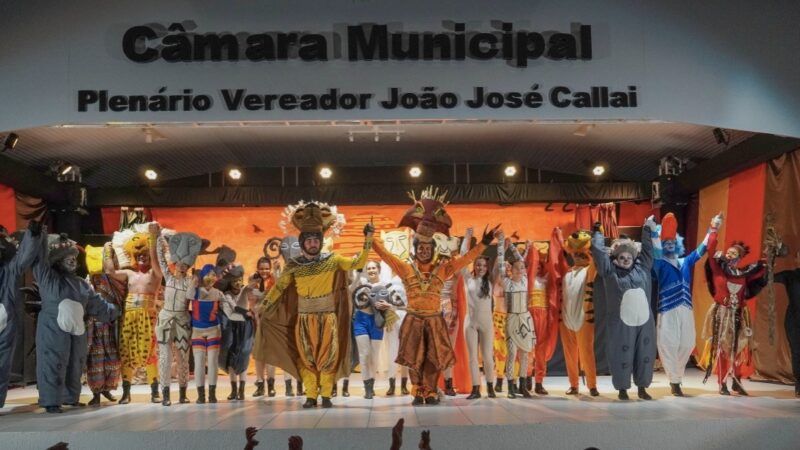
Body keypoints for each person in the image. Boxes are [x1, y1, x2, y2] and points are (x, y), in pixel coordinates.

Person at [371, 186, 497, 405]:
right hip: (412, 319)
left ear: (433, 250)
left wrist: (484, 244)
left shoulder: (443, 268)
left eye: (427, 249)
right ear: (416, 248)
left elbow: (466, 260)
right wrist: (371, 239)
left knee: (432, 358)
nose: (424, 251)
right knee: (413, 358)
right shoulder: (406, 268)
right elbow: (386, 256)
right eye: (420, 248)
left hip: (435, 320)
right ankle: (417, 390)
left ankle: (430, 390)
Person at [260, 201, 369, 408]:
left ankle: (326, 395)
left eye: (315, 239)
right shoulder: (294, 265)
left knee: (329, 357)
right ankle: (311, 395)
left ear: (321, 241)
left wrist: (368, 240)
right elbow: (279, 288)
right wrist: (264, 306)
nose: (312, 243)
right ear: (302, 243)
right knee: (306, 357)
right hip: (303, 319)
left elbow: (357, 264)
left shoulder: (333, 259)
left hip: (328, 317)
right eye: (308, 240)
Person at [34, 232, 119, 413]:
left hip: (77, 329)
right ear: (58, 261)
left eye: (74, 258)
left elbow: (97, 303)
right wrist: (38, 237)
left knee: (75, 364)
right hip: (53, 327)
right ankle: (51, 401)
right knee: (53, 362)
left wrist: (115, 312)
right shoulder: (49, 278)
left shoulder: (81, 284)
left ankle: (71, 398)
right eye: (67, 258)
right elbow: (40, 262)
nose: (72, 261)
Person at [652, 213, 719, 396]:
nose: (670, 245)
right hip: (667, 308)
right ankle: (675, 381)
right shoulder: (659, 263)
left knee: (688, 343)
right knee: (667, 343)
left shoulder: (684, 261)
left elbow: (701, 249)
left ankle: (676, 376)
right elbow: (656, 252)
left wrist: (712, 228)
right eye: (666, 243)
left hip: (686, 308)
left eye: (672, 242)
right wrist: (654, 234)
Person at [591, 217, 657, 400]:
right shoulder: (610, 272)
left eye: (629, 257)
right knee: (622, 353)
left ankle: (643, 388)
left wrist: (646, 229)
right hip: (621, 323)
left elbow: (648, 251)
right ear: (616, 258)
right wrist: (597, 234)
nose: (626, 260)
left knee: (645, 354)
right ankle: (622, 389)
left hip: (644, 323)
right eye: (622, 257)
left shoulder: (642, 269)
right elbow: (599, 254)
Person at [703, 226, 767, 396]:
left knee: (738, 348)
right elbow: (710, 249)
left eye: (734, 254)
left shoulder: (743, 274)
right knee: (724, 349)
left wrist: (770, 254)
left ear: (739, 258)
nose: (729, 255)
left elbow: (762, 269)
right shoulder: (717, 267)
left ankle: (736, 381)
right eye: (728, 252)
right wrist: (714, 228)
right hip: (722, 314)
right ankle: (722, 382)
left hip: (738, 314)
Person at [104, 230, 162, 404]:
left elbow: (155, 260)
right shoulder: (129, 274)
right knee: (126, 353)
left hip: (147, 316)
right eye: (139, 255)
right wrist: (108, 250)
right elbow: (109, 271)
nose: (143, 258)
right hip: (129, 316)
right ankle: (126, 393)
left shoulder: (155, 273)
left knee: (150, 353)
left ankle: (154, 392)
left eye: (145, 255)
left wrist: (152, 238)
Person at [151, 225, 200, 406]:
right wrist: (158, 238)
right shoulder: (168, 277)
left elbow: (190, 297)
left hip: (182, 319)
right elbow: (161, 260)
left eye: (185, 265)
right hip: (165, 319)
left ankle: (182, 393)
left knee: (183, 358)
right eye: (179, 264)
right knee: (164, 357)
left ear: (188, 266)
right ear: (176, 263)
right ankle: (165, 394)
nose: (181, 267)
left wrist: (194, 284)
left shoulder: (189, 281)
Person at [0, 221, 41, 408]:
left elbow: (24, 258)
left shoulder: (9, 269)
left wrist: (32, 236)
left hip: (5, 317)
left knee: (2, 363)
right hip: (6, 316)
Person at [525, 228, 566, 395]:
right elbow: (532, 264)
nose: (541, 265)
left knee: (541, 349)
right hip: (529, 314)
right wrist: (532, 250)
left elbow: (555, 263)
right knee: (527, 348)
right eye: (538, 262)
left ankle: (539, 381)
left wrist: (557, 240)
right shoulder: (529, 277)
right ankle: (526, 376)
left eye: (544, 262)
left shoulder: (548, 278)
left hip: (544, 314)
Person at [560, 230, 600, 396]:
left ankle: (592, 386)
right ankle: (574, 385)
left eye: (581, 254)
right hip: (566, 318)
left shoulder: (589, 271)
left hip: (583, 318)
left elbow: (597, 261)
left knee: (586, 352)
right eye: (576, 254)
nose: (578, 257)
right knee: (569, 354)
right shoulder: (567, 273)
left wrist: (597, 235)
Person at [496, 231, 535, 399]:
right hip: (512, 319)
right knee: (511, 353)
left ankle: (523, 385)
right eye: (517, 268)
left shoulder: (525, 280)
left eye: (522, 267)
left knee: (525, 353)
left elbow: (521, 258)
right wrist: (501, 243)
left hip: (525, 319)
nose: (520, 270)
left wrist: (513, 246)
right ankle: (510, 386)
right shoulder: (507, 282)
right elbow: (499, 262)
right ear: (511, 269)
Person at [460, 228, 497, 399]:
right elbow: (463, 258)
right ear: (474, 266)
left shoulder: (491, 281)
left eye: (483, 265)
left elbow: (500, 264)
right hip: (470, 323)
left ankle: (490, 387)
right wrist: (467, 238)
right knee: (472, 358)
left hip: (487, 323)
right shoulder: (468, 279)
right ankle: (476, 388)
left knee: (488, 357)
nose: (481, 267)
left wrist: (502, 243)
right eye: (478, 264)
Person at [85, 268, 125, 406]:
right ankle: (96, 393)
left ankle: (106, 389)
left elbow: (116, 301)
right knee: (95, 362)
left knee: (112, 361)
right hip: (93, 328)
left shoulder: (109, 283)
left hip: (108, 327)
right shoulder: (87, 284)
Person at [219, 264, 256, 402]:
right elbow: (234, 307)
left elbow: (253, 291)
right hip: (232, 326)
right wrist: (246, 312)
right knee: (231, 356)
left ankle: (242, 390)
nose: (238, 283)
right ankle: (233, 389)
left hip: (245, 326)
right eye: (235, 281)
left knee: (244, 355)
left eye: (240, 280)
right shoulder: (227, 294)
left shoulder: (245, 290)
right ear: (230, 282)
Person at [191, 264, 223, 404]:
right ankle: (201, 395)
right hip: (197, 330)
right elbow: (187, 295)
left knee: (212, 362)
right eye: (208, 274)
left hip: (213, 330)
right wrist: (193, 283)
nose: (211, 277)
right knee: (198, 363)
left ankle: (212, 394)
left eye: (213, 274)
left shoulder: (217, 293)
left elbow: (229, 307)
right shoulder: (195, 291)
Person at [774, 251, 800, 398]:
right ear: (796, 259)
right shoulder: (790, 276)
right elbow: (769, 277)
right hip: (794, 321)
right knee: (797, 353)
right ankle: (799, 384)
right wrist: (769, 262)